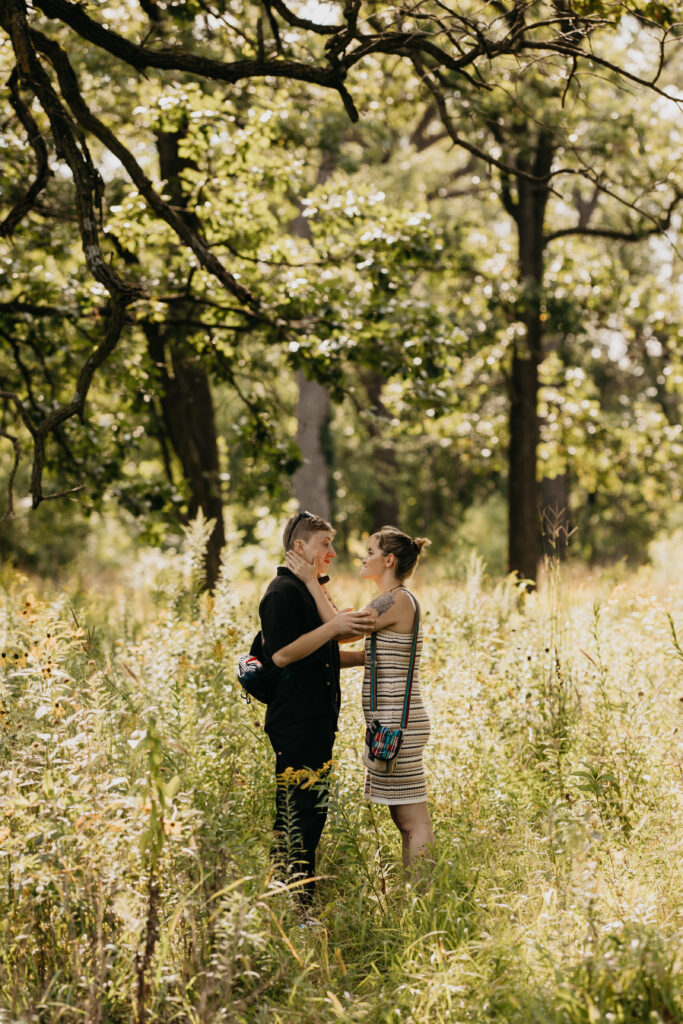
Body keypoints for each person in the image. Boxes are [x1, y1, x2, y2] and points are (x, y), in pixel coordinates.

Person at [259, 510, 374, 917]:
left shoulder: (309, 589)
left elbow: (321, 650)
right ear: (299, 548)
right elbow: (284, 654)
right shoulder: (282, 593)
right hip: (295, 723)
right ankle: (298, 909)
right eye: (325, 543)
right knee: (300, 814)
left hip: (317, 719)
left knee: (308, 811)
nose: (333, 551)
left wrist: (360, 657)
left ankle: (283, 898)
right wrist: (331, 630)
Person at [359, 526, 434, 871]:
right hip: (391, 725)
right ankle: (415, 899)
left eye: (371, 551)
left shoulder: (397, 600)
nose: (364, 557)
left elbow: (340, 630)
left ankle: (424, 900)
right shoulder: (393, 600)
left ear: (388, 560)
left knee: (413, 822)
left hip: (398, 727)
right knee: (403, 822)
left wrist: (313, 582)